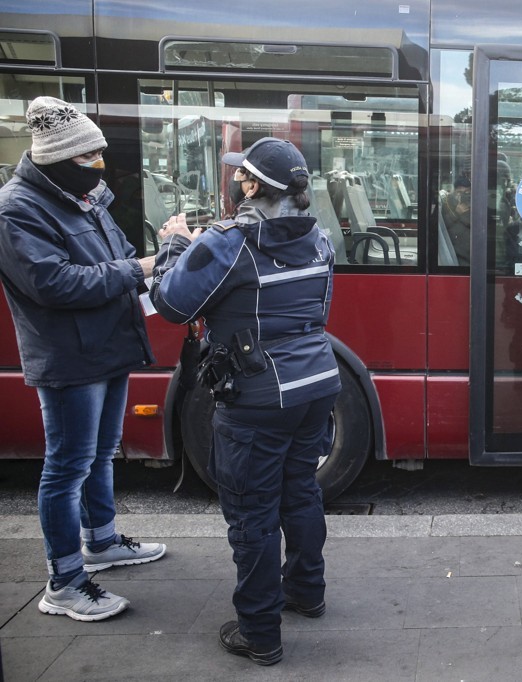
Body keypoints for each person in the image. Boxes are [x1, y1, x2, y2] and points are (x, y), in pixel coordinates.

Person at [150, 137, 341, 666]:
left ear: (253, 185)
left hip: (258, 396)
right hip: (318, 383)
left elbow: (170, 303)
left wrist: (174, 244)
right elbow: (318, 310)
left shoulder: (228, 242)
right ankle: (307, 591)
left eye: (242, 175)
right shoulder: (320, 238)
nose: (237, 180)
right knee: (300, 490)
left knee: (251, 511)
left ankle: (259, 632)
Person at [0, 96, 166, 621]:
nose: (99, 164)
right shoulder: (16, 209)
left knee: (100, 452)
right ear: (57, 158)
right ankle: (65, 582)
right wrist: (139, 268)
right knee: (67, 465)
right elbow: (53, 283)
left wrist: (161, 250)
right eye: (89, 156)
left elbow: (115, 255)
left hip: (107, 344)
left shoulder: (83, 197)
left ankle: (102, 541)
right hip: (69, 355)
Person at [438, 175, 471, 265]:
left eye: (467, 192)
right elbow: (443, 227)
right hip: (456, 251)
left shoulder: (475, 203)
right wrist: (456, 213)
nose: (463, 195)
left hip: (472, 250)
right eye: (459, 192)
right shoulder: (447, 204)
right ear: (454, 192)